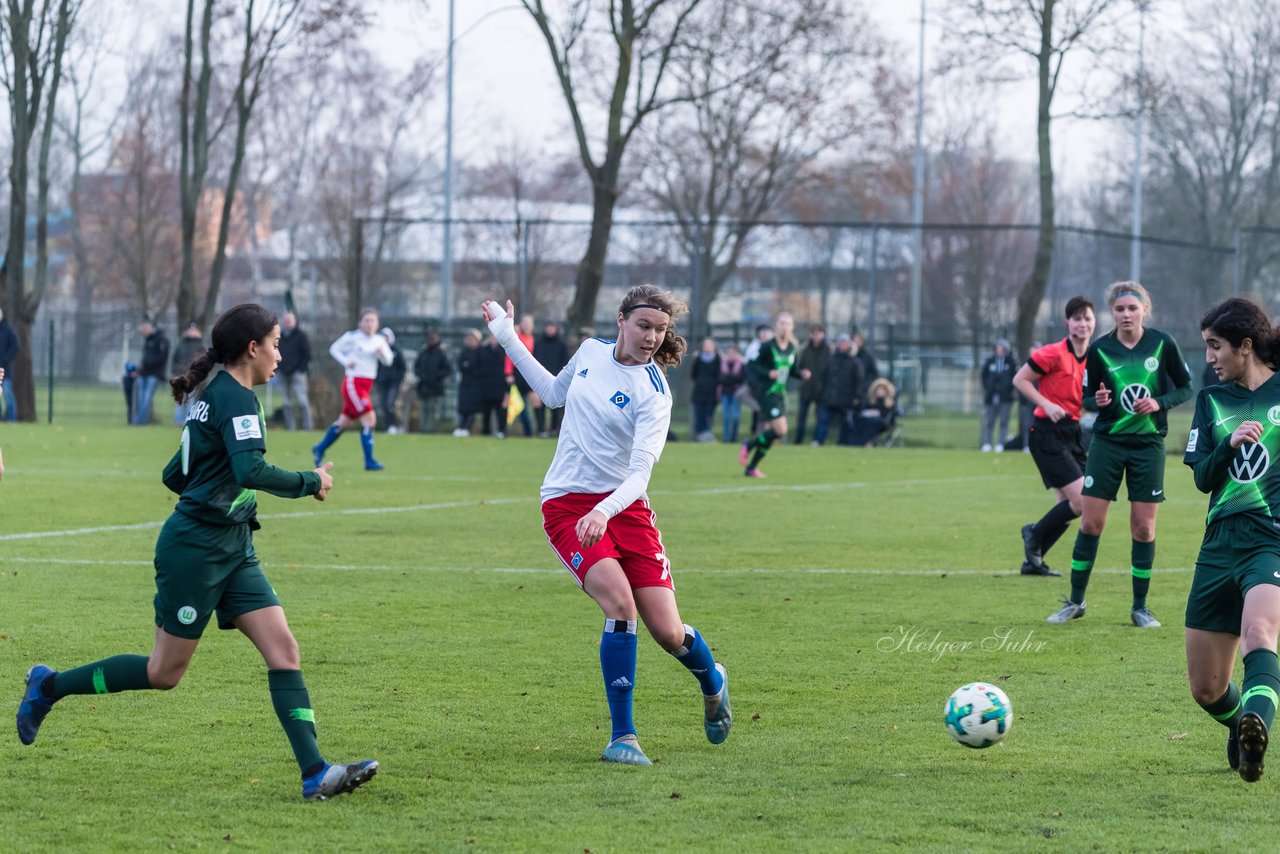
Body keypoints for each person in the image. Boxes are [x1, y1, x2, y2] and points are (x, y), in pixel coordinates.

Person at [15, 303, 377, 800]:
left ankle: (315, 773)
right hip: (197, 548)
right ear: (252, 348)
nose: (279, 353)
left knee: (283, 651)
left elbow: (175, 473)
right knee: (164, 673)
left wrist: (216, 486)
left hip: (232, 545)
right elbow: (248, 470)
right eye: (275, 343)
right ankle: (48, 685)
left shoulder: (214, 394)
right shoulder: (236, 400)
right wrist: (309, 480)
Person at [481, 284, 731, 766]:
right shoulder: (591, 352)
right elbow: (554, 394)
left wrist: (606, 510)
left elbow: (639, 475)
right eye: (644, 326)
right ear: (621, 320)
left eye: (661, 329)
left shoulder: (655, 393)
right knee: (620, 605)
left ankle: (712, 679)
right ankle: (624, 737)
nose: (652, 337)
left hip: (624, 508)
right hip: (568, 507)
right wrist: (509, 338)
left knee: (668, 632)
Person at [1046, 281, 1193, 627]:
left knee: (1143, 528)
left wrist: (1159, 402)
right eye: (1119, 309)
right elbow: (1084, 399)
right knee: (1091, 522)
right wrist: (1094, 403)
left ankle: (1140, 607)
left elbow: (1185, 388)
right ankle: (1076, 601)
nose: (1126, 314)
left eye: (1132, 308)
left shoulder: (1162, 343)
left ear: (1145, 310)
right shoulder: (1100, 350)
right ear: (1111, 312)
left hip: (1148, 446)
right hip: (1108, 444)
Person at [1184, 296, 1280, 782]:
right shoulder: (1211, 400)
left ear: (1246, 346)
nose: (1210, 357)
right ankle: (1241, 719)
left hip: (1272, 543)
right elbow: (1202, 477)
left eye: (1215, 346)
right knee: (1206, 687)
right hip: (1218, 545)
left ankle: (1257, 724)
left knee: (1261, 634)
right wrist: (1227, 445)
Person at [1013, 297, 1097, 578]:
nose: (1082, 324)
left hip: (1072, 433)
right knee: (1082, 502)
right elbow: (1020, 379)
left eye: (1087, 318)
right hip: (1046, 433)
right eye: (1077, 318)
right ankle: (1034, 533)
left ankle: (1033, 561)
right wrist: (1046, 404)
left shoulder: (1096, 357)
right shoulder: (1052, 353)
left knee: (1070, 504)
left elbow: (1088, 397)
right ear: (1067, 323)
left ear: (1094, 322)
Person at [311, 308, 393, 471]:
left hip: (366, 385)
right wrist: (347, 361)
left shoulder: (379, 341)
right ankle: (369, 461)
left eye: (373, 321)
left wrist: (382, 353)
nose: (370, 324)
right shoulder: (352, 337)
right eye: (367, 320)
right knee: (370, 419)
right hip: (353, 383)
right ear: (360, 322)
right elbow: (334, 349)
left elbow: (389, 361)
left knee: (343, 423)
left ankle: (319, 448)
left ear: (377, 324)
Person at [739, 312, 802, 478]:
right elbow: (751, 365)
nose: (784, 326)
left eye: (788, 324)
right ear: (776, 326)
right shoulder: (768, 346)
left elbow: (792, 370)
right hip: (767, 392)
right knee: (780, 430)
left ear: (792, 327)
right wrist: (768, 373)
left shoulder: (791, 347)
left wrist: (802, 374)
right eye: (782, 323)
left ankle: (751, 467)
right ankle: (749, 445)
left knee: (776, 433)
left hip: (780, 393)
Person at [813, 333, 864, 447]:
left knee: (845, 423)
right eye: (840, 342)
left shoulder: (854, 362)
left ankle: (843, 443)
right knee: (823, 421)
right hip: (828, 399)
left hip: (846, 399)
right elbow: (822, 378)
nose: (842, 345)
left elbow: (859, 381)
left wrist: (856, 397)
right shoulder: (830, 361)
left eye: (845, 343)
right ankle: (818, 441)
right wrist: (820, 394)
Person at [793, 325, 830, 445]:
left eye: (819, 333)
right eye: (814, 333)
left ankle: (817, 441)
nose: (816, 336)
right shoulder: (803, 349)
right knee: (801, 417)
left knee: (821, 418)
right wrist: (801, 373)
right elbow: (795, 367)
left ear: (823, 335)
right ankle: (798, 440)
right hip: (806, 389)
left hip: (822, 390)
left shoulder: (829, 350)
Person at [533, 322, 570, 437]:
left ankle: (555, 429)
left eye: (552, 327)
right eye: (548, 327)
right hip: (541, 379)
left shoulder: (561, 344)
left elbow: (565, 363)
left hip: (557, 379)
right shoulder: (538, 344)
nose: (550, 330)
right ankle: (541, 429)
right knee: (540, 406)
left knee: (556, 407)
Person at [278, 311, 314, 431]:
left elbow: (307, 355)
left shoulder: (301, 336)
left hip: (298, 373)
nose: (288, 323)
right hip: (282, 373)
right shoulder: (279, 336)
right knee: (286, 403)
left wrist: (301, 369)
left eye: (290, 320)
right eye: (286, 320)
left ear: (294, 321)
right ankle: (290, 428)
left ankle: (308, 427)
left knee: (302, 401)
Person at [132, 318, 170, 425]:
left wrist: (147, 362)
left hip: (154, 374)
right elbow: (144, 358)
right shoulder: (148, 339)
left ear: (149, 327)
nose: (142, 331)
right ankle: (138, 421)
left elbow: (162, 358)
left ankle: (140, 422)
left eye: (143, 328)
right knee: (140, 398)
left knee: (146, 398)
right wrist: (139, 369)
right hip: (143, 373)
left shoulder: (162, 339)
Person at [980, 339, 1016, 452]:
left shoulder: (1010, 362)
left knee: (1004, 421)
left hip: (1005, 397)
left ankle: (1001, 443)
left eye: (1002, 348)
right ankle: (987, 443)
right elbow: (984, 377)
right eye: (997, 348)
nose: (999, 350)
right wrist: (990, 387)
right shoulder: (990, 362)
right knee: (989, 421)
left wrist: (1007, 388)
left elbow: (1014, 378)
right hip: (991, 397)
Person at [413, 331, 452, 433]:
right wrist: (423, 376)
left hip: (436, 387)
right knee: (424, 410)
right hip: (424, 386)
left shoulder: (441, 353)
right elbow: (417, 367)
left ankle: (431, 430)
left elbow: (447, 369)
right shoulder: (423, 353)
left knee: (433, 410)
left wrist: (436, 377)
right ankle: (423, 429)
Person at [507, 315, 537, 437]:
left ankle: (538, 430)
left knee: (535, 404)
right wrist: (508, 373)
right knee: (520, 405)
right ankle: (528, 432)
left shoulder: (533, 339)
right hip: (518, 376)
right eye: (524, 322)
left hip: (531, 374)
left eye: (528, 322)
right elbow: (509, 356)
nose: (526, 325)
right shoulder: (517, 337)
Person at [171, 322, 206, 425]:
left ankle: (188, 420)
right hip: (180, 375)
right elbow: (175, 359)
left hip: (192, 376)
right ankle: (178, 420)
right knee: (179, 398)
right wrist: (176, 371)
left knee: (190, 398)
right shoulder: (181, 344)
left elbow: (203, 362)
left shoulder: (200, 345)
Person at [373, 327, 406, 435]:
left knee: (391, 404)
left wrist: (398, 379)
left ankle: (399, 425)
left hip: (393, 383)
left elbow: (402, 367)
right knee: (383, 405)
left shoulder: (396, 350)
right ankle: (390, 426)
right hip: (382, 382)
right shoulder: (377, 350)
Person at [453, 330, 486, 436]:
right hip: (465, 384)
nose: (471, 341)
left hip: (476, 386)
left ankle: (467, 428)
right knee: (463, 408)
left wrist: (469, 367)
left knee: (472, 409)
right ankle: (461, 427)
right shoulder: (464, 352)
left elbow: (479, 368)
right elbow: (461, 365)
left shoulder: (481, 352)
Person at [848, 378, 897, 446]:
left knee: (873, 422)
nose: (880, 391)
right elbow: (862, 411)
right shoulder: (870, 401)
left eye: (882, 390)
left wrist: (878, 413)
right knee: (862, 420)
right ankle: (856, 442)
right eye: (878, 389)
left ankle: (866, 442)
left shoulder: (890, 403)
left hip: (883, 423)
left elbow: (889, 414)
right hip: (867, 420)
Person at [690, 337, 721, 443]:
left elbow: (719, 375)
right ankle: (699, 436)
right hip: (699, 392)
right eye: (706, 345)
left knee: (709, 415)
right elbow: (693, 374)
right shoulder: (698, 358)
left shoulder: (718, 359)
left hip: (711, 393)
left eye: (710, 345)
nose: (707, 347)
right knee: (699, 415)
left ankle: (707, 435)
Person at [479, 333, 509, 437]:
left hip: (500, 387)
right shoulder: (483, 351)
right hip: (486, 387)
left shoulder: (504, 351)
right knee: (486, 412)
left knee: (501, 411)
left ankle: (502, 430)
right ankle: (485, 431)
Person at [718, 344, 745, 443]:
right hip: (726, 393)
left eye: (733, 353)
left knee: (735, 417)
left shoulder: (740, 365)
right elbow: (721, 379)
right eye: (729, 353)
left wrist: (728, 377)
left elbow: (741, 379)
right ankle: (726, 439)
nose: (731, 355)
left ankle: (734, 437)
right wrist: (732, 378)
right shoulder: (722, 364)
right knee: (726, 417)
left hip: (736, 394)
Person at [0, 307, 19, 421]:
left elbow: (15, 347)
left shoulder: (8, 331)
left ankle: (11, 419)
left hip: (5, 369)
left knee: (7, 395)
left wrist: (6, 359)